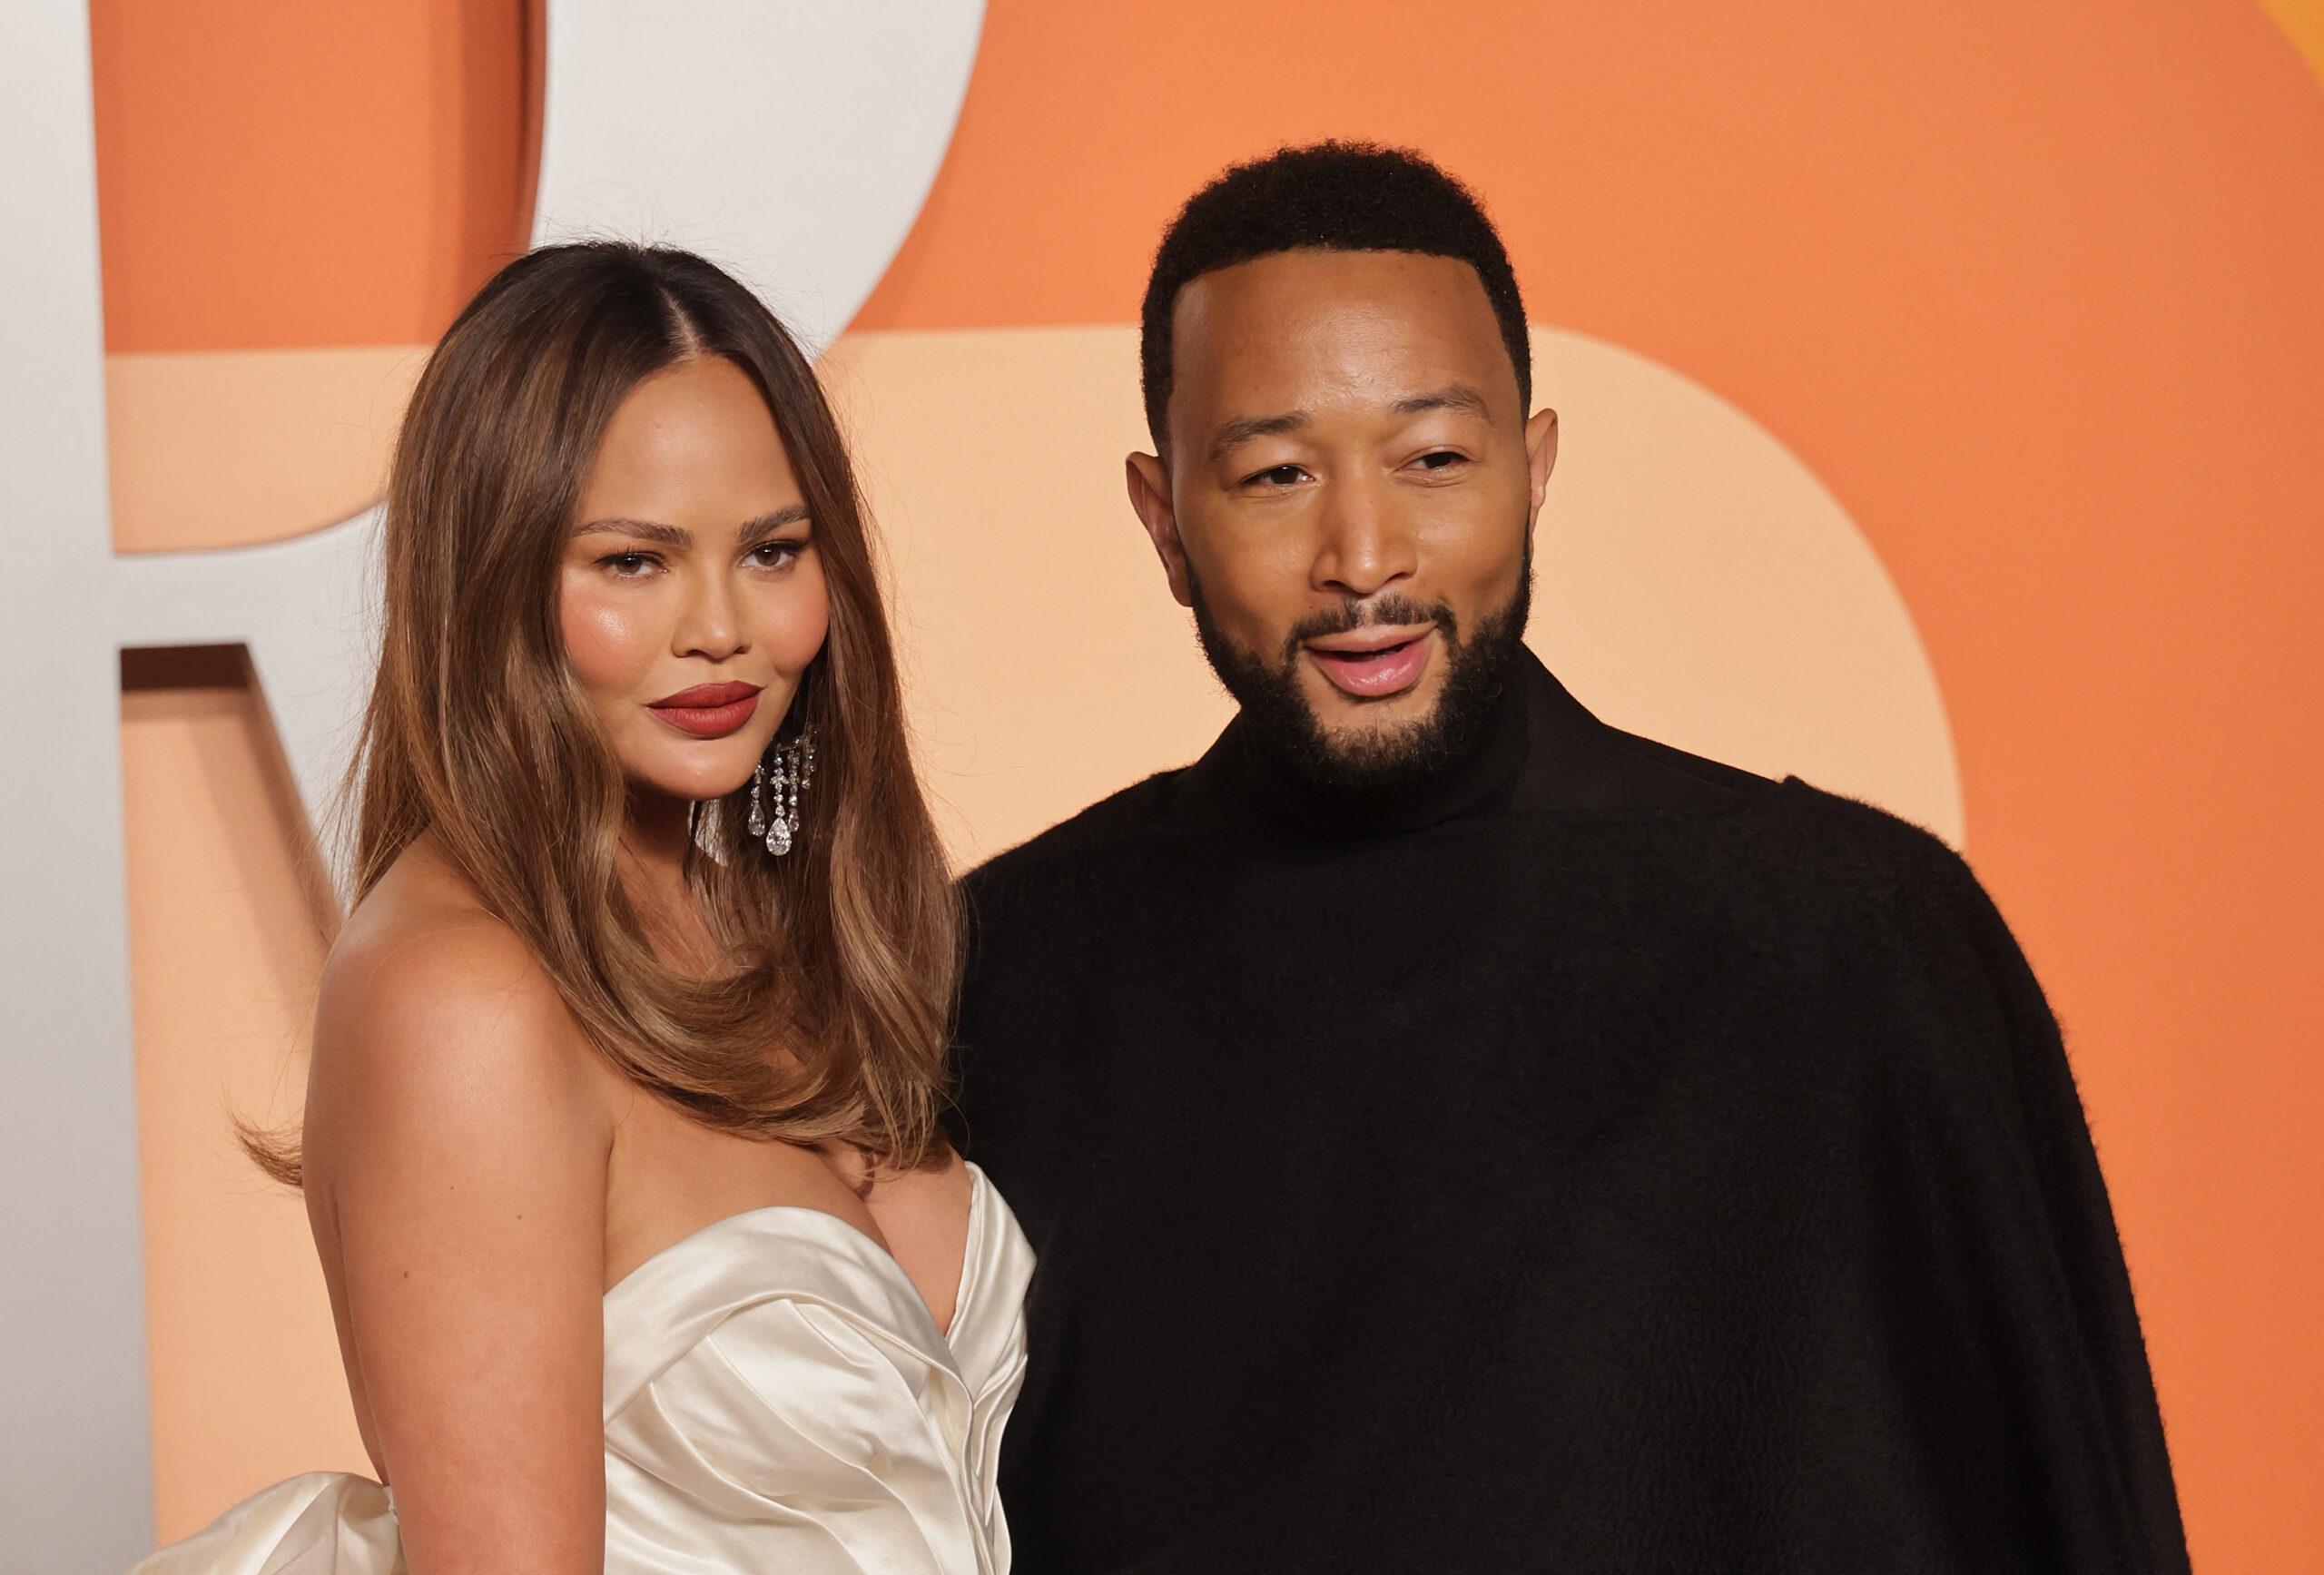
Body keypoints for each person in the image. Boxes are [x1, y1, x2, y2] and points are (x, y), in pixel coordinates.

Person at [950, 143, 2189, 1572]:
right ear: (1165, 522)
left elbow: (2066, 1514)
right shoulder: (1006, 977)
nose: (1366, 555)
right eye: (1279, 474)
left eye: (1433, 460)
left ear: (1534, 473)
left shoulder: (1853, 942)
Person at [139, 242, 1031, 1574]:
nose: (722, 627)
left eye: (774, 550)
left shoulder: (768, 939)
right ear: (492, 579)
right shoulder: (465, 998)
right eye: (634, 563)